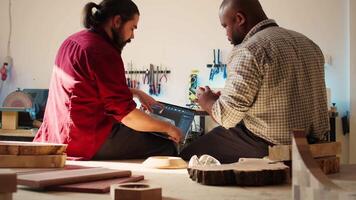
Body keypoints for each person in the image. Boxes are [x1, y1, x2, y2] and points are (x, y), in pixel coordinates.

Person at [179, 0, 329, 163]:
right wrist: (222, 100)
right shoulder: (309, 44)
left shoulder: (249, 50)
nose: (226, 34)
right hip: (312, 144)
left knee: (188, 156)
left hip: (270, 145)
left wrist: (206, 100)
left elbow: (227, 118)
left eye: (225, 26)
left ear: (239, 19)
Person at [34, 0, 182, 160]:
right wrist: (168, 128)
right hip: (84, 140)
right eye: (132, 28)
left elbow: (86, 88)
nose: (133, 35)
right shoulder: (102, 51)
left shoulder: (72, 41)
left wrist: (135, 92)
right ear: (117, 21)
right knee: (167, 146)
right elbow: (129, 117)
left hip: (56, 135)